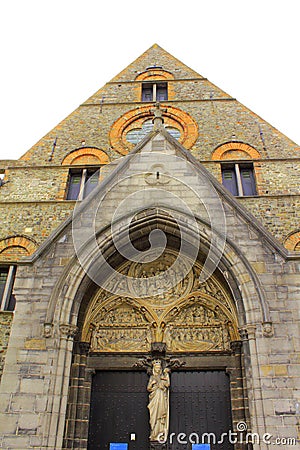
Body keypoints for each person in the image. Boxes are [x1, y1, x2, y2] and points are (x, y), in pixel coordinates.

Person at [147, 360, 170, 442]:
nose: (158, 369)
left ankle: (160, 433)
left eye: (159, 368)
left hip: (161, 398)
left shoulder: (162, 377)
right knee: (154, 416)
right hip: (155, 398)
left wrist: (166, 375)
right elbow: (149, 388)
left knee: (160, 414)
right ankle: (154, 433)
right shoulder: (152, 377)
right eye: (156, 368)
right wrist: (152, 383)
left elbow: (167, 385)